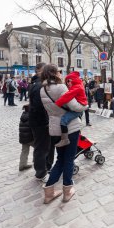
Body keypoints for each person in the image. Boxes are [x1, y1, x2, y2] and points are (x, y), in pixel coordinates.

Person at [40, 64, 86, 204]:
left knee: (60, 159)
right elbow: (74, 106)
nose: (61, 74)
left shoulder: (43, 90)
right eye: (59, 72)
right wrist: (85, 105)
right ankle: (67, 191)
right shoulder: (61, 88)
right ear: (54, 73)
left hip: (54, 128)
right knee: (68, 159)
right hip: (70, 128)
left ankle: (49, 192)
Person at [29, 62, 51, 181]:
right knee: (41, 147)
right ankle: (41, 173)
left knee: (41, 147)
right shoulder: (39, 85)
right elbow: (39, 106)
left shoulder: (35, 83)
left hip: (37, 120)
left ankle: (42, 168)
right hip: (40, 121)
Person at [54, 71, 88, 147]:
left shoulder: (77, 87)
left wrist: (57, 104)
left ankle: (65, 139)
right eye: (67, 82)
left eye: (69, 81)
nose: (68, 83)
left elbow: (67, 96)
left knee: (63, 121)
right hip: (79, 107)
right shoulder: (77, 85)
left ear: (73, 80)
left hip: (79, 108)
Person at [19, 104, 34, 171]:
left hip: (23, 138)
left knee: (24, 151)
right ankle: (36, 162)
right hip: (30, 138)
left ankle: (22, 165)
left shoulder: (23, 115)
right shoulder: (31, 116)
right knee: (39, 149)